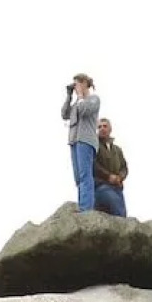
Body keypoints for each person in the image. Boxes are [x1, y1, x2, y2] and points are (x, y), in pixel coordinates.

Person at [61, 74, 100, 211]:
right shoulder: (77, 103)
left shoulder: (93, 99)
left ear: (84, 84)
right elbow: (64, 114)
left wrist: (81, 96)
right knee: (78, 178)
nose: (75, 87)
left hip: (86, 140)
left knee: (85, 175)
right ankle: (83, 205)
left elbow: (84, 111)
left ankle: (86, 209)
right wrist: (69, 96)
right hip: (74, 141)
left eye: (77, 84)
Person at [93, 117, 128, 217]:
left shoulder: (117, 149)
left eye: (105, 126)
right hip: (101, 186)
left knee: (121, 215)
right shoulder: (94, 146)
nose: (102, 129)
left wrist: (120, 177)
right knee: (119, 213)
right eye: (99, 127)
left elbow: (124, 167)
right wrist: (108, 176)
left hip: (117, 188)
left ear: (110, 129)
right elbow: (93, 164)